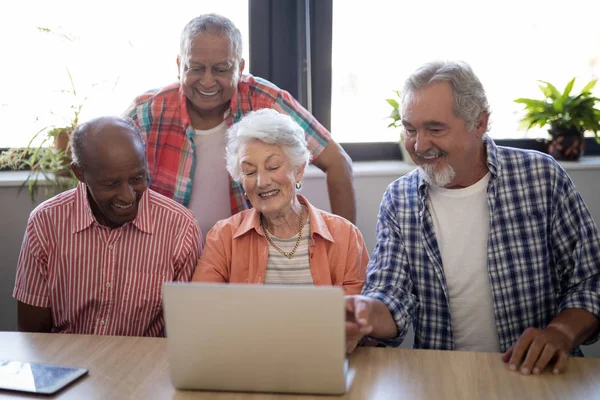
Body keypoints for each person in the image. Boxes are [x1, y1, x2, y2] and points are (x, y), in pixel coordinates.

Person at [345, 60, 600, 375]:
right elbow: (389, 294)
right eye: (410, 129)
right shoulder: (399, 200)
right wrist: (361, 312)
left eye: (435, 129)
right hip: (443, 379)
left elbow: (591, 280)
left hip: (537, 375)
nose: (419, 145)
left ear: (480, 122)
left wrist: (561, 333)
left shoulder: (542, 177)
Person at [125, 14, 355, 237]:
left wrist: (344, 250)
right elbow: (97, 173)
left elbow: (338, 162)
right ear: (179, 64)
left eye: (221, 70)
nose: (207, 81)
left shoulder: (266, 101)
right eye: (195, 68)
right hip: (168, 257)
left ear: (240, 67)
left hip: (249, 260)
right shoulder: (146, 112)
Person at [13, 116, 201, 337]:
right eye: (110, 184)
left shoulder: (180, 227)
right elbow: (33, 336)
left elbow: (184, 335)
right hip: (67, 365)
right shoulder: (46, 223)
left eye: (137, 177)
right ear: (79, 174)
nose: (127, 195)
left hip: (144, 367)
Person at [192, 109, 367, 294]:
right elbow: (201, 308)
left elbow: (355, 316)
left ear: (298, 170)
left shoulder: (346, 236)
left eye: (273, 167)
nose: (262, 182)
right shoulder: (223, 237)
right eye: (250, 172)